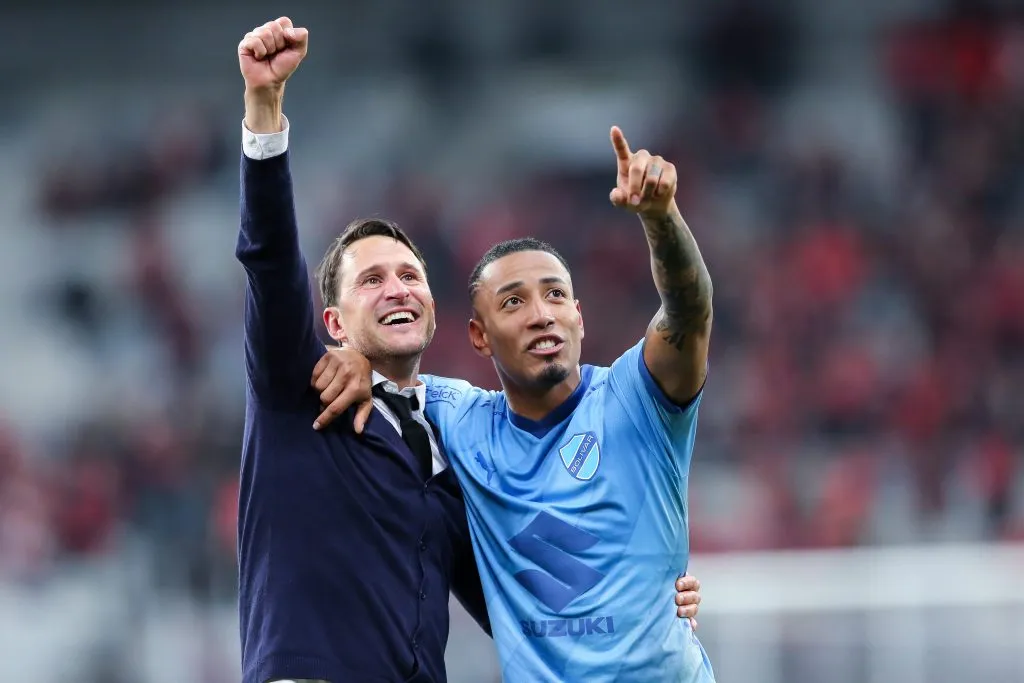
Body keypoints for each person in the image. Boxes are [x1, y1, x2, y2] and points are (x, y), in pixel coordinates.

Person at [234, 16, 703, 683]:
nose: (396, 288)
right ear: (333, 321)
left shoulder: (443, 446)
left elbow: (528, 598)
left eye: (410, 276)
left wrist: (654, 597)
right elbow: (270, 262)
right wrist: (265, 114)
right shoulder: (299, 388)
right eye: (372, 279)